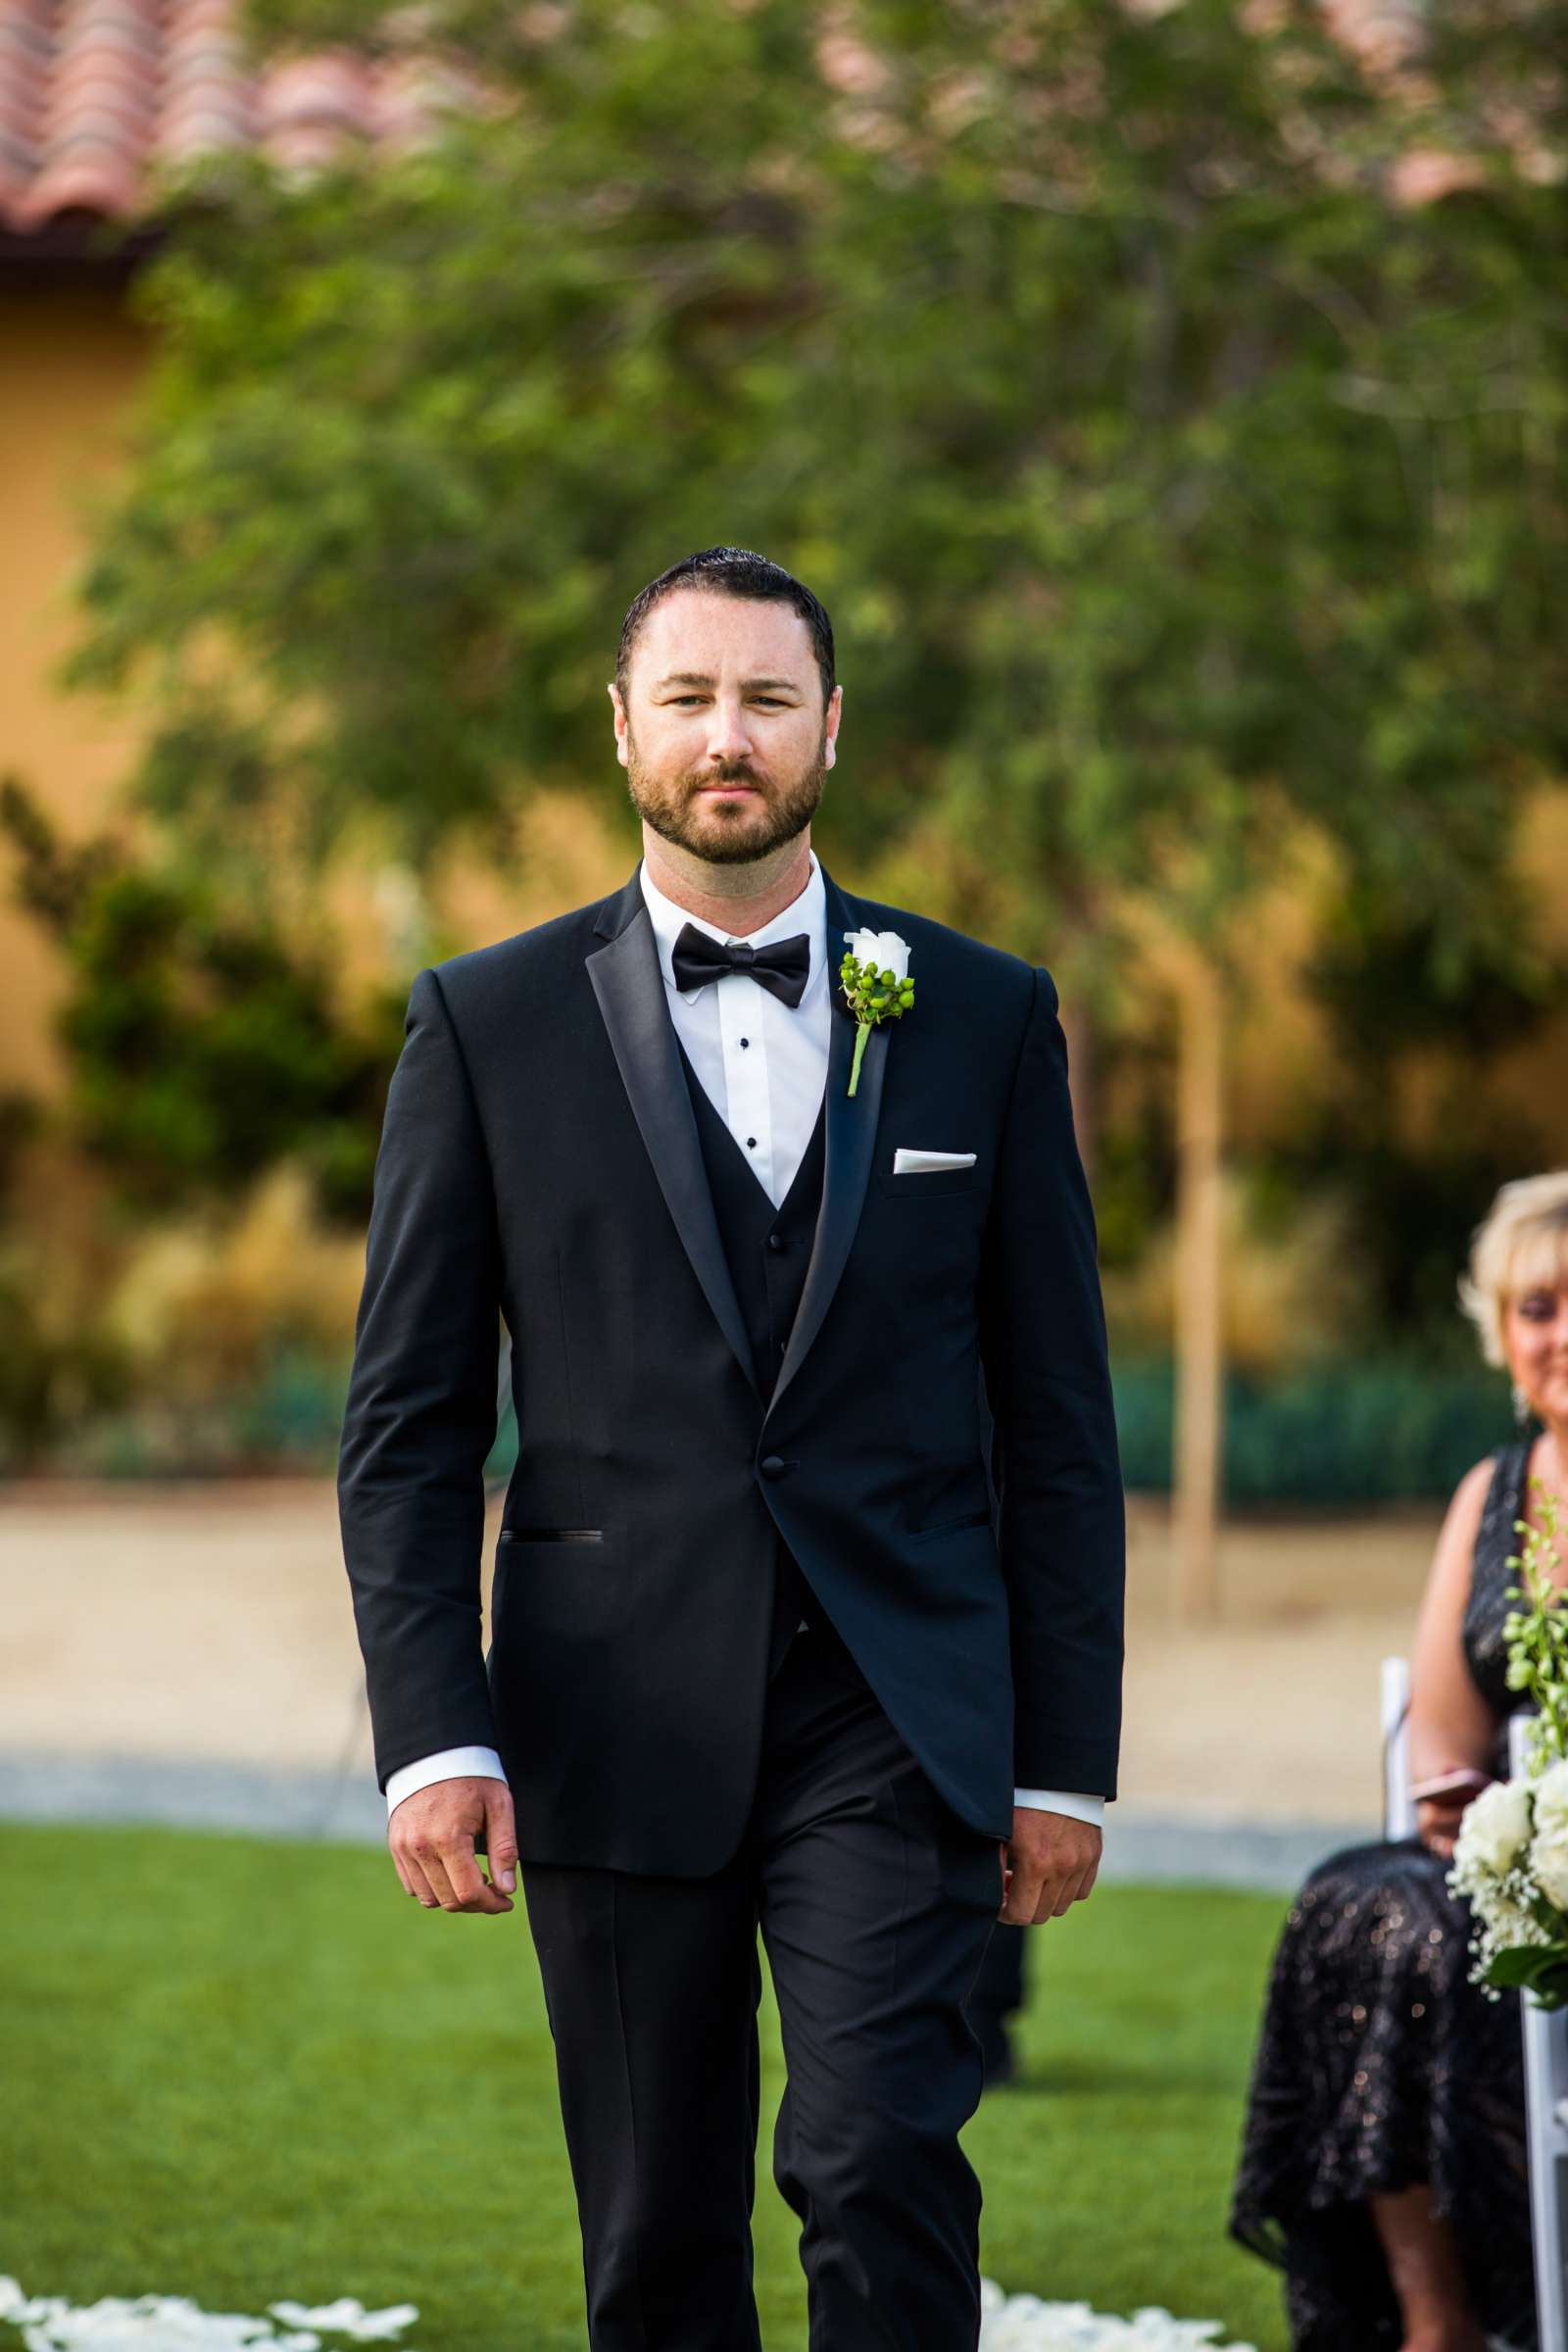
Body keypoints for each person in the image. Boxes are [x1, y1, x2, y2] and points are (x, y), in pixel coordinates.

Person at [337, 545, 1127, 2352]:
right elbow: (410, 1421)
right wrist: (432, 1733)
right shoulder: (486, 1022)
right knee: (655, 2236)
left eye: (768, 699)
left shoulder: (984, 1016)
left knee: (877, 2168)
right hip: (605, 1709)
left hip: (895, 1705)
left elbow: (1059, 1424)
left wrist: (1063, 1760)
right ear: (622, 727)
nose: (727, 736)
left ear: (830, 731)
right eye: (688, 697)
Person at [1227, 1171, 1568, 2352]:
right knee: (1361, 1900)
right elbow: (1442, 1741)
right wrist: (1485, 1821)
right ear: (1501, 1331)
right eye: (1537, 1306)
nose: (1561, 1333)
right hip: (1516, 1873)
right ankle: (1437, 2324)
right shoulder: (1492, 1496)